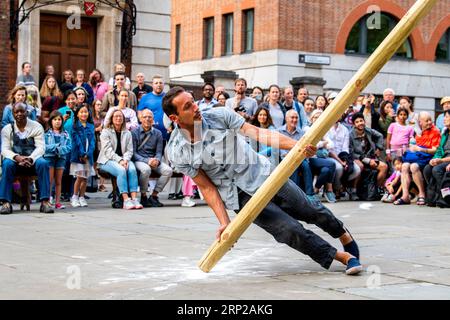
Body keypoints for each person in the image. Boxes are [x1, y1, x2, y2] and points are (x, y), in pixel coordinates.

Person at [163, 87, 363, 275]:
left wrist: (297, 146)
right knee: (289, 231)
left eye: (193, 102)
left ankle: (343, 235)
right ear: (175, 117)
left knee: (309, 209)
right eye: (187, 107)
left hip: (263, 174)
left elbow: (259, 133)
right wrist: (225, 223)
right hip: (238, 197)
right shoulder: (176, 151)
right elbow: (206, 187)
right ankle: (340, 257)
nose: (195, 107)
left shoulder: (219, 116)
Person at [0, 103, 53, 214]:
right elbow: (5, 149)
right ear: (13, 114)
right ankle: (5, 203)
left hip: (32, 162)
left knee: (43, 163)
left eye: (22, 111)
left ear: (27, 112)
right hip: (15, 163)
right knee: (6, 164)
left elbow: (41, 147)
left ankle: (45, 201)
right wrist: (17, 157)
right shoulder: (7, 129)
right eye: (16, 112)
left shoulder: (36, 126)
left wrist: (30, 158)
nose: (19, 114)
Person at [98, 109, 143, 210]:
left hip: (124, 160)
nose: (118, 118)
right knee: (121, 170)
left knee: (132, 169)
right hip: (106, 160)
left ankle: (134, 199)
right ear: (111, 119)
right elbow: (107, 151)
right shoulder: (105, 132)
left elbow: (129, 150)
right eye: (116, 116)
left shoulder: (127, 133)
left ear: (123, 119)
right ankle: (126, 200)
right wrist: (120, 161)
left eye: (120, 116)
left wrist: (126, 160)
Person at [394, 112, 441, 206]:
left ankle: (422, 194)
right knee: (404, 166)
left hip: (428, 158)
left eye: (430, 120)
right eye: (427, 121)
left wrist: (420, 149)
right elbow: (413, 147)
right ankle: (405, 196)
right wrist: (411, 148)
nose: (430, 122)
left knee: (414, 167)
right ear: (420, 122)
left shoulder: (435, 131)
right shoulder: (418, 132)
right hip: (418, 158)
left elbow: (435, 150)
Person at [132, 109, 173, 207]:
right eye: (145, 117)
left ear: (153, 119)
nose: (147, 119)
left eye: (150, 117)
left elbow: (159, 152)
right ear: (140, 119)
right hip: (140, 159)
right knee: (146, 170)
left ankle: (154, 196)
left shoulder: (158, 133)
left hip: (153, 160)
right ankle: (143, 196)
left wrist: (157, 160)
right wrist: (147, 161)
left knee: (168, 170)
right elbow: (133, 153)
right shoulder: (134, 133)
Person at [349, 113, 388, 192]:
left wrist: (379, 148)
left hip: (371, 156)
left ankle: (376, 189)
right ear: (354, 124)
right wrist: (367, 160)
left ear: (364, 121)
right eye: (357, 122)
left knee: (384, 166)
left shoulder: (368, 130)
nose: (360, 123)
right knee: (360, 166)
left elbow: (380, 136)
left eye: (361, 121)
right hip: (357, 158)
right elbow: (351, 152)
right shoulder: (350, 135)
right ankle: (353, 189)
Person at [44, 111, 72, 209]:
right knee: (50, 180)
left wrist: (59, 149)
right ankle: (47, 200)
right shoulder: (47, 134)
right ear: (51, 121)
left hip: (61, 158)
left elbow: (69, 147)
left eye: (59, 119)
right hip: (49, 158)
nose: (57, 122)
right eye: (55, 119)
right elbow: (44, 147)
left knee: (58, 181)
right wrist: (56, 147)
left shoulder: (65, 134)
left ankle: (57, 202)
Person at [70, 104, 96, 208]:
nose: (84, 114)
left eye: (85, 112)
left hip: (88, 155)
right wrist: (82, 153)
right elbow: (76, 141)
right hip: (79, 155)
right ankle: (75, 196)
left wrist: (89, 153)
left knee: (86, 178)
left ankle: (82, 196)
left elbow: (93, 141)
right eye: (81, 112)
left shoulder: (91, 126)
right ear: (77, 114)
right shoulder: (75, 126)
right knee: (80, 176)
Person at [327, 120, 361, 200]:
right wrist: (340, 162)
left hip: (342, 156)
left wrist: (345, 160)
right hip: (330, 156)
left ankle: (342, 185)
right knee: (339, 168)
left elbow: (345, 148)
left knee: (357, 169)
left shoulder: (344, 129)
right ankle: (337, 188)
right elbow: (329, 149)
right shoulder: (327, 128)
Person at [423, 110, 450, 207]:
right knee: (427, 168)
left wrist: (441, 160)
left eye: (446, 117)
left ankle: (445, 196)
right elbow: (439, 150)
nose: (444, 119)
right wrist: (434, 159)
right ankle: (434, 195)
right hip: (443, 159)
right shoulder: (446, 133)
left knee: (436, 169)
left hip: (447, 161)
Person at [137, 75, 168, 140]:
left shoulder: (168, 97)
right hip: (149, 134)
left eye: (160, 83)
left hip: (166, 134)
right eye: (156, 83)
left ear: (163, 84)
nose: (158, 85)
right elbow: (140, 115)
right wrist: (147, 124)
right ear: (152, 85)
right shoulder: (145, 98)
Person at [91, 99, 106, 192]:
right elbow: (89, 129)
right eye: (97, 104)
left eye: (100, 104)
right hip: (94, 139)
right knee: (94, 161)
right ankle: (93, 182)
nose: (99, 106)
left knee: (102, 161)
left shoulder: (104, 116)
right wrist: (97, 129)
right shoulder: (91, 116)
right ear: (94, 106)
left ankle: (102, 184)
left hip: (102, 139)